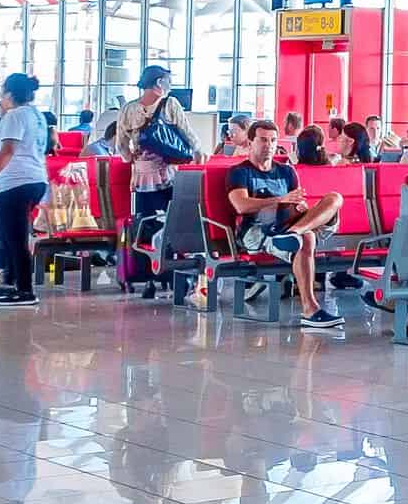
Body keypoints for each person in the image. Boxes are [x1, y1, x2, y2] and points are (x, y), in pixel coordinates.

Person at [225, 120, 345, 332]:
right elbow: (241, 205)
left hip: (288, 224)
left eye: (272, 140)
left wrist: (298, 207)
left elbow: (297, 200)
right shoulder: (239, 172)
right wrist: (280, 200)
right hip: (258, 230)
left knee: (335, 198)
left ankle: (293, 233)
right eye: (263, 140)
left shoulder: (287, 172)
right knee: (307, 239)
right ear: (251, 142)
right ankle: (310, 310)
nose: (269, 145)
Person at [115, 65, 201, 291]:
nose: (169, 86)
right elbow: (188, 135)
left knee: (146, 225)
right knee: (172, 225)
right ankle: (171, 275)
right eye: (167, 82)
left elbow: (121, 147)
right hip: (168, 174)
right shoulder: (170, 104)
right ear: (159, 83)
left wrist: (132, 157)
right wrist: (197, 155)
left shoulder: (127, 110)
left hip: (141, 178)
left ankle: (149, 277)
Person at [0, 75, 48, 307]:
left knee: (15, 239)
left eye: (1, 94)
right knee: (9, 236)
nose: (0, 100)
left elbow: (7, 151)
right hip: (35, 179)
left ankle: (25, 291)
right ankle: (11, 283)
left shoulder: (15, 116)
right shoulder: (37, 115)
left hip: (17, 182)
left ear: (9, 95)